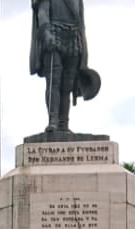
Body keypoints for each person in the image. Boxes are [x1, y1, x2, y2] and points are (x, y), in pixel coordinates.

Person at [30, 0, 95, 133]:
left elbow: (81, 23)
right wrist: (47, 34)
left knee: (68, 85)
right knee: (54, 81)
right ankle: (53, 121)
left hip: (74, 38)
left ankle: (63, 124)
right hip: (54, 33)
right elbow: (42, 13)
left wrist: (84, 47)